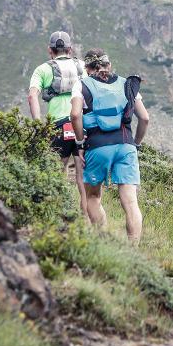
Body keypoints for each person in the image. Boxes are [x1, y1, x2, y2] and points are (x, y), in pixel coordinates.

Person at [70, 49, 149, 244]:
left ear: (87, 69)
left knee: (92, 197)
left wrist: (80, 143)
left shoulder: (81, 85)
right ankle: (133, 250)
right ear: (109, 65)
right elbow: (145, 118)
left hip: (96, 146)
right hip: (126, 145)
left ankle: (104, 242)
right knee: (130, 201)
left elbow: (75, 115)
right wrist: (136, 144)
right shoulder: (127, 84)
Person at [27, 31, 89, 216]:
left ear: (50, 50)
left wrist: (39, 124)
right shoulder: (83, 67)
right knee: (82, 177)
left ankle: (55, 215)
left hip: (57, 127)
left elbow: (32, 96)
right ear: (70, 49)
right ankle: (86, 219)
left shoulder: (42, 69)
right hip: (81, 126)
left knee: (55, 174)